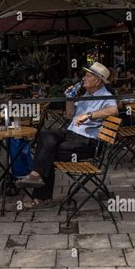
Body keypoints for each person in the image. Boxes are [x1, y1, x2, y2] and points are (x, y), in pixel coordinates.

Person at [16, 62, 119, 208]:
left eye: (88, 76)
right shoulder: (86, 94)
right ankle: (36, 175)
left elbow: (113, 111)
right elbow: (70, 115)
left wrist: (89, 115)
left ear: (98, 80)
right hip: (72, 134)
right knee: (46, 135)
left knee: (46, 152)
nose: (84, 78)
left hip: (88, 142)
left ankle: (40, 192)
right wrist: (69, 98)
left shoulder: (106, 96)